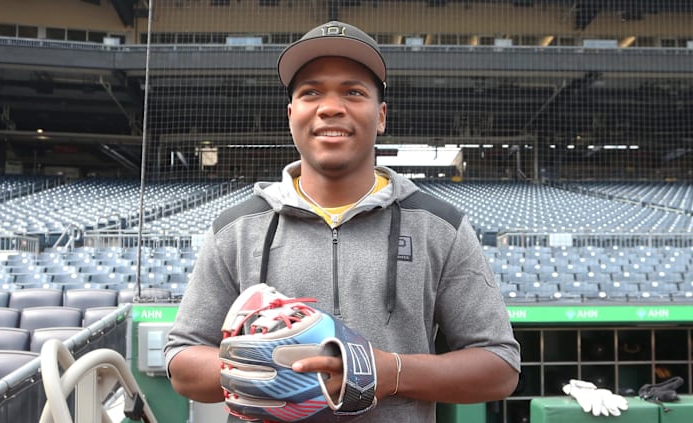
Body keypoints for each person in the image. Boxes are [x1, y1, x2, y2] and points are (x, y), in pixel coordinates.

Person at [165, 20, 520, 422]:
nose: (330, 106)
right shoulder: (236, 228)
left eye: (353, 92)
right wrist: (267, 369)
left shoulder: (440, 226)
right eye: (311, 92)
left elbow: (499, 366)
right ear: (291, 114)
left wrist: (391, 372)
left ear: (381, 115)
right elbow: (182, 360)